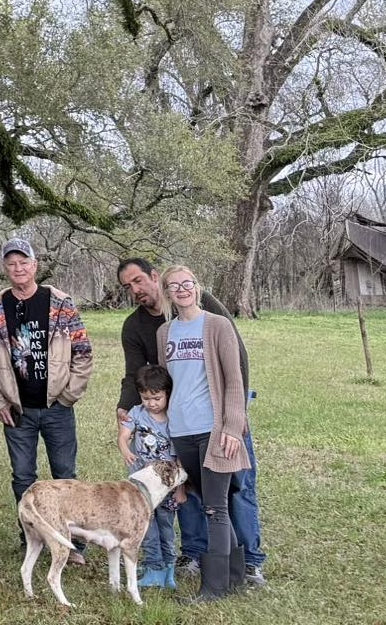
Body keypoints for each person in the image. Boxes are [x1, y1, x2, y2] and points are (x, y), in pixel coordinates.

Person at [116, 256, 265, 584]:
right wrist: (125, 409)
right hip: (182, 425)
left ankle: (248, 563)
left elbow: (235, 363)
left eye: (139, 280)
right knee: (192, 490)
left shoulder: (209, 311)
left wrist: (236, 418)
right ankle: (198, 554)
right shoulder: (146, 328)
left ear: (155, 277)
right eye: (128, 286)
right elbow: (142, 376)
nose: (135, 289)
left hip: (221, 419)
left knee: (235, 490)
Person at [158, 265, 251, 602]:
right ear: (167, 292)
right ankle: (235, 574)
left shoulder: (217, 325)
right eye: (174, 285)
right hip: (181, 430)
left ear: (197, 287)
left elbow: (235, 379)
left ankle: (214, 587)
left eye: (188, 283)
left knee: (215, 508)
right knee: (208, 500)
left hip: (212, 430)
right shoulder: (165, 333)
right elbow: (166, 385)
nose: (182, 289)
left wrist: (232, 426)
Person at [0, 237, 92, 504]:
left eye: (23, 262)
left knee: (65, 474)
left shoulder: (60, 303)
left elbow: (83, 352)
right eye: (12, 263)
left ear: (35, 265)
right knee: (22, 476)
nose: (18, 268)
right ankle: (31, 536)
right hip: (18, 409)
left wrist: (67, 397)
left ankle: (72, 539)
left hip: (57, 408)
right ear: (5, 267)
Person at [125, 363, 183, 590]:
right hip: (141, 488)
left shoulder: (174, 419)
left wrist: (180, 489)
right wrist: (125, 449)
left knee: (166, 528)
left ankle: (168, 567)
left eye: (156, 398)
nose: (151, 403)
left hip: (167, 487)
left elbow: (179, 460)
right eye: (145, 398)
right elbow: (124, 435)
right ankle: (153, 566)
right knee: (146, 526)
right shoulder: (137, 414)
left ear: (167, 393)